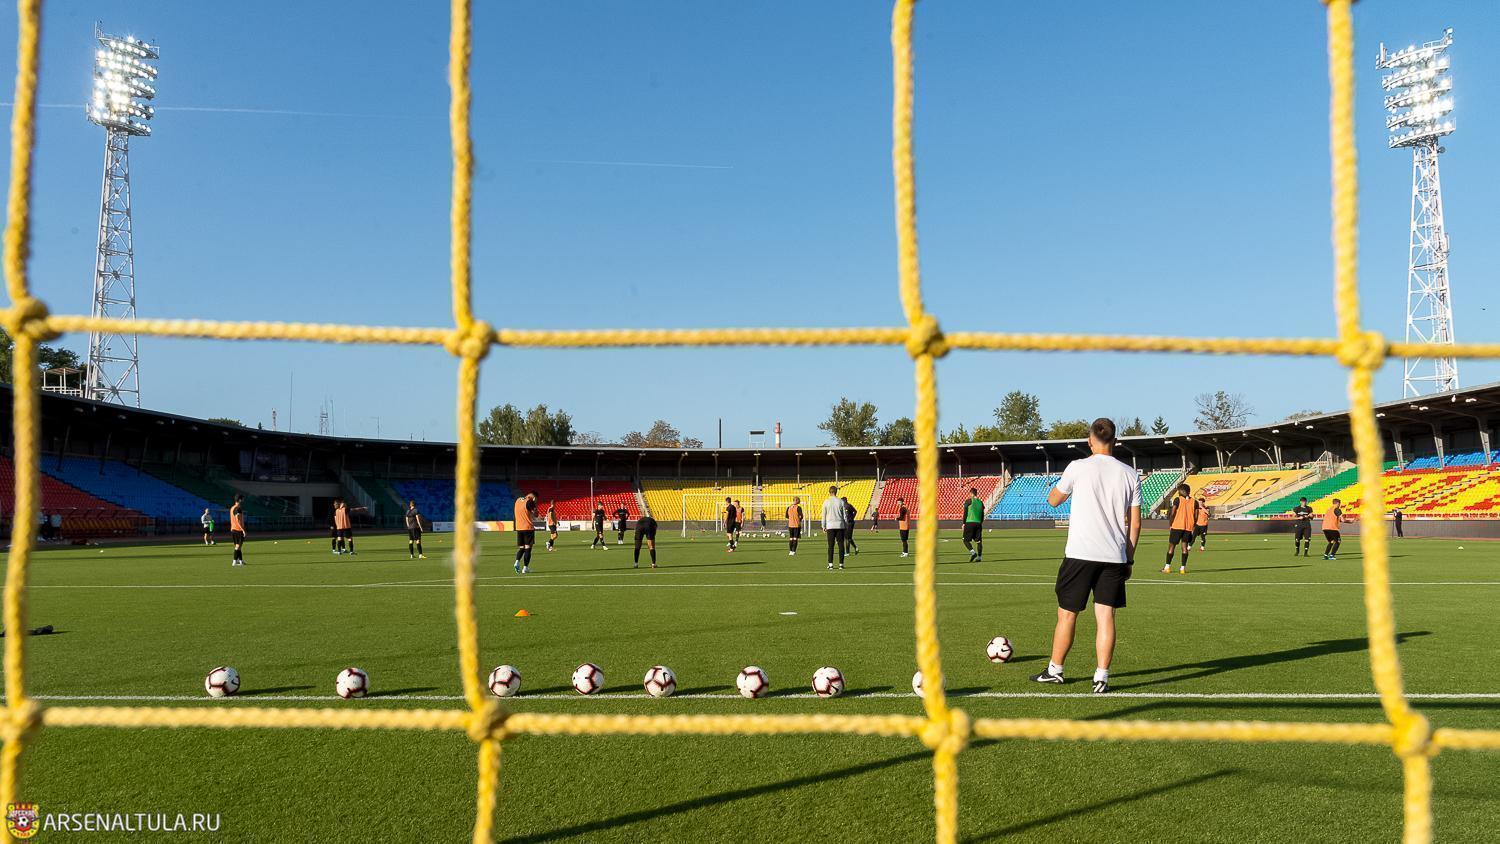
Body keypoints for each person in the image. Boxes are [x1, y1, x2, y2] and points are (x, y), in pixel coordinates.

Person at [1030, 418, 1141, 694]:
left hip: (1080, 553)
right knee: (1106, 616)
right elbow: (1136, 524)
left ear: (1090, 440)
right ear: (1115, 441)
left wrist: (1064, 486)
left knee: (1067, 615)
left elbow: (1053, 500)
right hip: (1114, 556)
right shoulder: (1130, 474)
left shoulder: (1077, 467)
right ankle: (1101, 677)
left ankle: (1055, 670)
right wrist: (1128, 558)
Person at [1162, 485, 1197, 574]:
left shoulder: (1177, 500)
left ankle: (1167, 567)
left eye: (1179, 491)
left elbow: (1173, 512)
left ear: (1183, 491)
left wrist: (1171, 524)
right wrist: (1192, 525)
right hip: (1188, 528)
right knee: (1184, 547)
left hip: (1177, 526)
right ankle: (1182, 568)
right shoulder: (1194, 502)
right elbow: (1196, 516)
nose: (1178, 492)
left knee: (1171, 546)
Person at [822, 486, 848, 570]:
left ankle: (830, 564)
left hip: (830, 526)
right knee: (841, 544)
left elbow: (823, 515)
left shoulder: (826, 502)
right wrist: (846, 525)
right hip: (840, 525)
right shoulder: (841, 501)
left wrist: (823, 526)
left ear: (829, 492)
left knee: (831, 545)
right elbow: (845, 516)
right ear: (836, 492)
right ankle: (841, 564)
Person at [514, 491, 537, 573]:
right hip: (528, 528)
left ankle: (517, 561)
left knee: (521, 548)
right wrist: (534, 503)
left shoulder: (518, 500)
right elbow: (536, 514)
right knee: (528, 548)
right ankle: (525, 568)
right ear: (534, 497)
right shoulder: (530, 501)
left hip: (519, 527)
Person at [962, 487, 985, 562]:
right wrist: (980, 523)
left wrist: (964, 523)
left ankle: (973, 553)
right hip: (978, 523)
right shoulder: (981, 502)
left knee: (965, 540)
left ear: (971, 493)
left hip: (969, 522)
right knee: (979, 541)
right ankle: (979, 557)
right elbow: (982, 514)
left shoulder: (968, 501)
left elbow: (965, 513)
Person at [228, 495, 248, 567]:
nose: (243, 500)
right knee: (238, 546)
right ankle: (234, 562)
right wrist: (243, 530)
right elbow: (237, 520)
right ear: (239, 500)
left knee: (239, 546)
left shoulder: (232, 508)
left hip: (233, 529)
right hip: (238, 529)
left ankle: (241, 561)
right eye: (242, 499)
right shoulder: (238, 508)